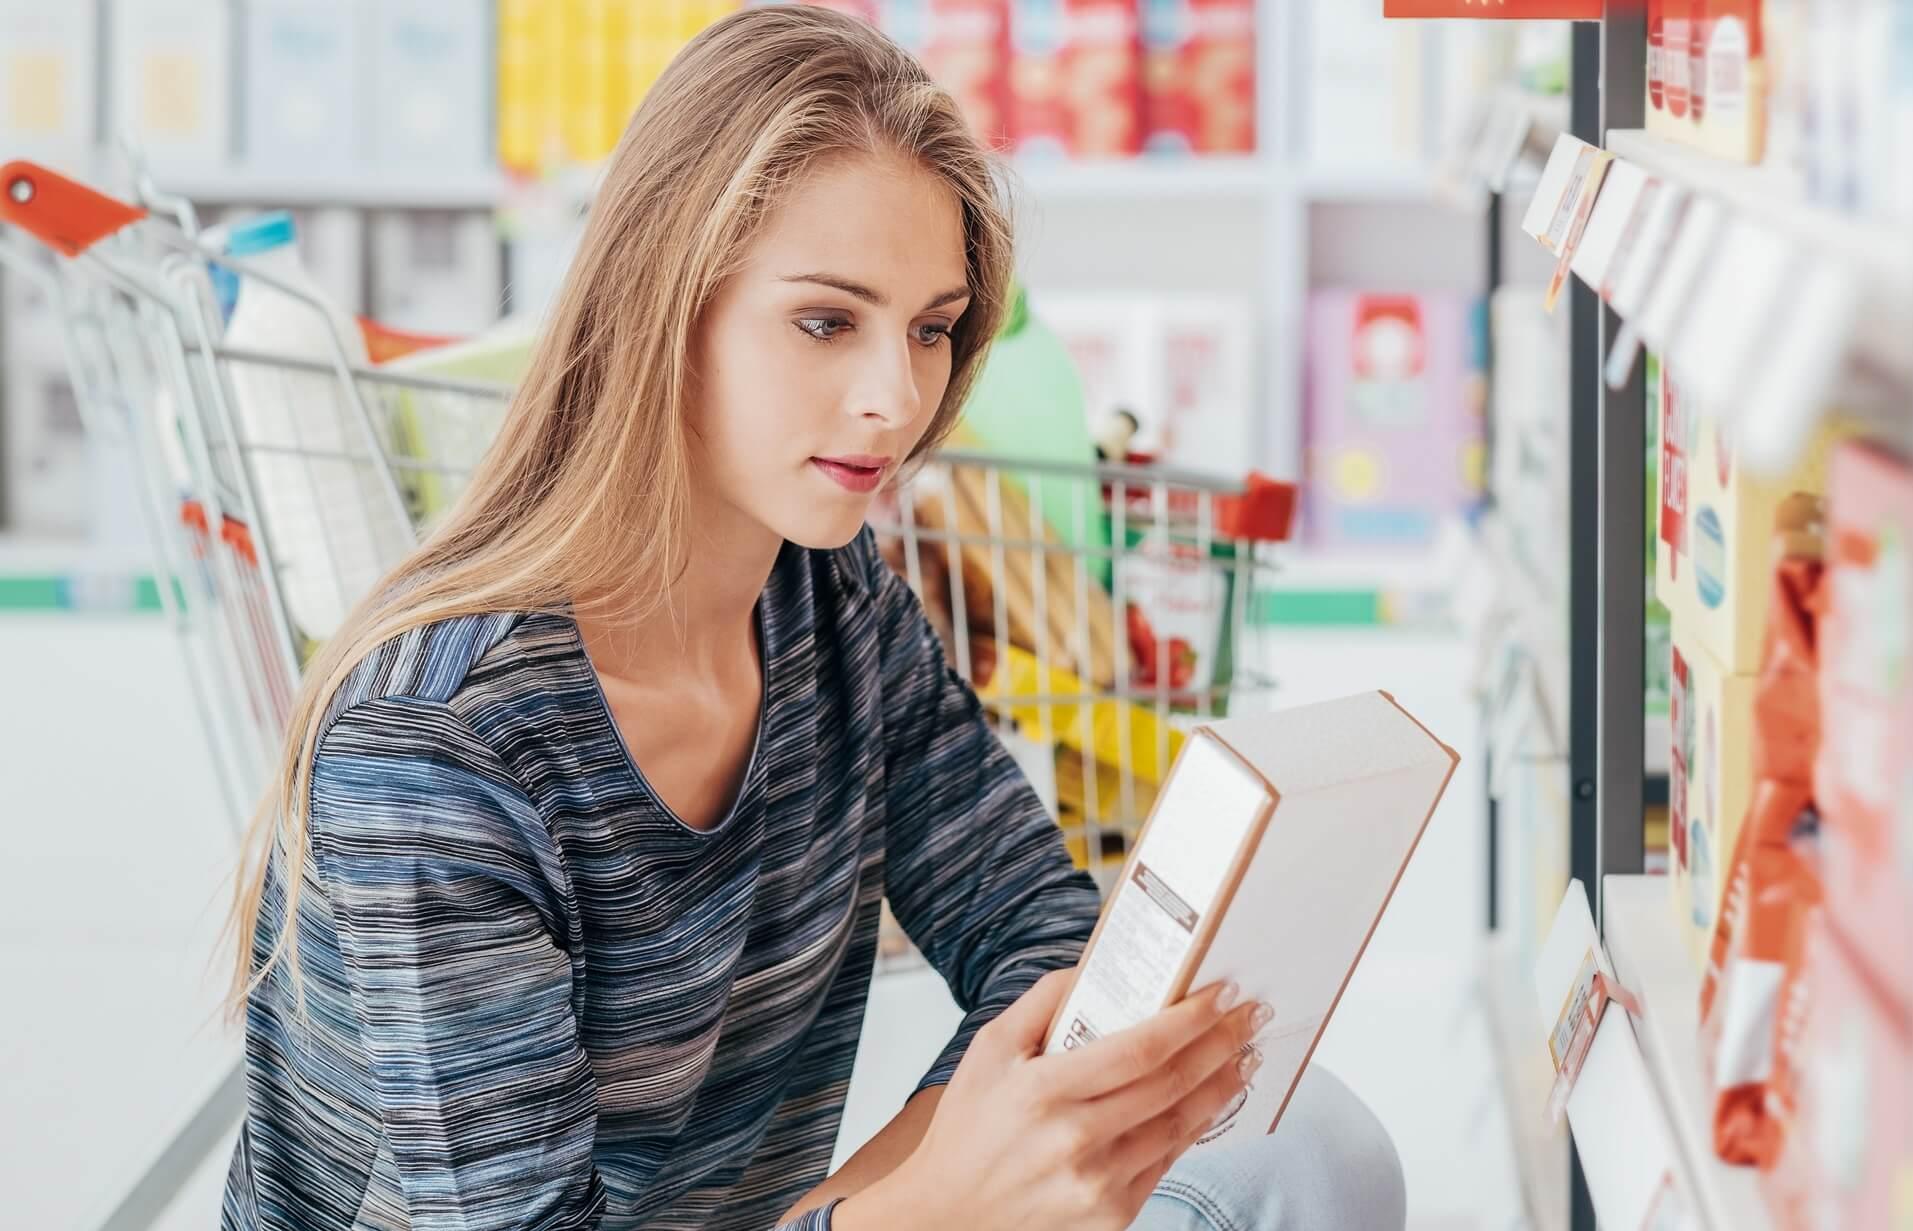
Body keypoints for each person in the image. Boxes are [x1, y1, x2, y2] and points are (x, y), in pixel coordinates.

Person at [219, 8, 1405, 1230]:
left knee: (1311, 1145)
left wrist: (898, 1201)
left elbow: (1041, 938)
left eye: (931, 329)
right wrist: (925, 1210)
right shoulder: (435, 745)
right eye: (826, 320)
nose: (894, 397)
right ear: (659, 307)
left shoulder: (826, 599)